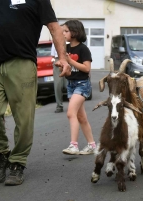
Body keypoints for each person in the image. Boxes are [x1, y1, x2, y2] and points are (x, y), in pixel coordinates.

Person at [0, 0, 71, 186]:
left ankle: (18, 162)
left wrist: (62, 58)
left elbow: (54, 27)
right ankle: (2, 154)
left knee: (24, 116)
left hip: (21, 61)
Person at [61, 20, 96, 155]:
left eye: (66, 31)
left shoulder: (83, 49)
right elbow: (69, 70)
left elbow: (87, 69)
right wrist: (63, 65)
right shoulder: (67, 48)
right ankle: (92, 145)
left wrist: (71, 61)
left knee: (71, 113)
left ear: (74, 32)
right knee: (81, 118)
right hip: (71, 85)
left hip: (82, 85)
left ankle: (73, 145)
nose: (63, 33)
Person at [51, 42, 67, 113]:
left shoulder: (70, 35)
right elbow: (53, 55)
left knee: (69, 84)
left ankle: (75, 105)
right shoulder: (55, 38)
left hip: (69, 58)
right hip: (58, 60)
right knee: (57, 85)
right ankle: (59, 106)